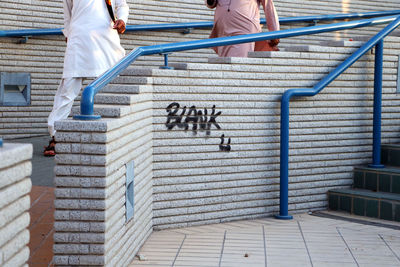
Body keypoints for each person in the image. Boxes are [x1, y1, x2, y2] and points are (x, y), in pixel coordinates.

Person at [44, 0, 129, 156]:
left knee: (112, 86)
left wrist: (122, 19)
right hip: (78, 38)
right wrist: (69, 33)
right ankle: (55, 135)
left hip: (106, 38)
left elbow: (121, 5)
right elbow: (67, 14)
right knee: (67, 90)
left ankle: (116, 133)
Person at [206, 0, 280, 57]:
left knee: (239, 61)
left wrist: (275, 32)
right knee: (224, 63)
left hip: (244, 29)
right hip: (223, 29)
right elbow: (211, 4)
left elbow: (268, 5)